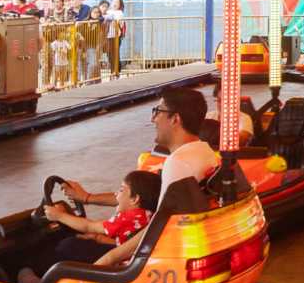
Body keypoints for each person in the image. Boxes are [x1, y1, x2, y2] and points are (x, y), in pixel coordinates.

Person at [61, 88, 215, 214]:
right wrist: (87, 197)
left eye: (157, 111)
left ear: (175, 119)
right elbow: (142, 197)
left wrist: (104, 244)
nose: (152, 119)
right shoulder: (204, 151)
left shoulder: (178, 164)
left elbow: (160, 225)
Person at [17, 169, 162, 283]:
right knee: (76, 242)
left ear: (135, 199)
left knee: (68, 245)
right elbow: (126, 241)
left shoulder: (128, 217)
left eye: (121, 190)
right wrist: (97, 238)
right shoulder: (147, 214)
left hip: (119, 267)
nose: (116, 194)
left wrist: (59, 216)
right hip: (129, 260)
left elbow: (89, 226)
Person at [103, 0, 125, 78]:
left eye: (117, 2)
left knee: (115, 54)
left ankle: (116, 71)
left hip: (115, 36)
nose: (115, 3)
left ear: (120, 5)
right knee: (109, 54)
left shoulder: (120, 13)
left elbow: (117, 21)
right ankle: (113, 71)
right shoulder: (108, 11)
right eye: (114, 2)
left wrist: (108, 18)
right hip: (107, 36)